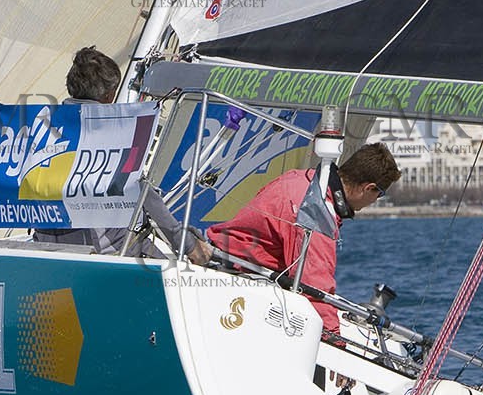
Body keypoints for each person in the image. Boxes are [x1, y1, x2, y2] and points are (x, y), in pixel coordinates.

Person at [33, 46, 210, 264]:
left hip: (45, 243)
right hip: (99, 253)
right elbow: (139, 190)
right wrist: (185, 243)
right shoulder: (108, 131)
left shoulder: (39, 127)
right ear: (110, 95)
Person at [207, 143, 401, 335]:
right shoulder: (316, 210)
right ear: (368, 188)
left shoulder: (300, 178)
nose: (375, 201)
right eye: (379, 195)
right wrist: (334, 340)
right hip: (235, 279)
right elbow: (314, 286)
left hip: (221, 264)